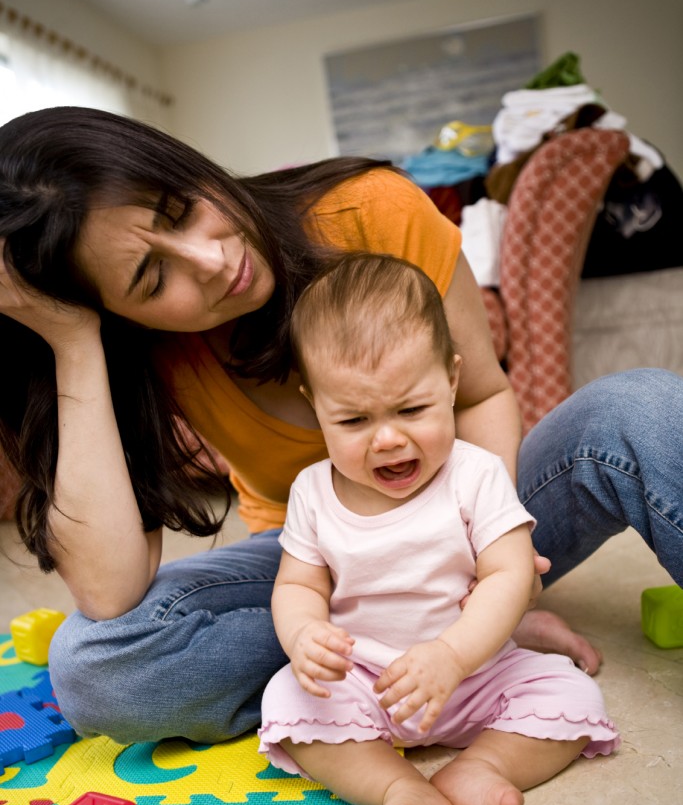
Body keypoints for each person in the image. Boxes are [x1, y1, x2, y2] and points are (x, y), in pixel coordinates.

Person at [0, 106, 680, 745]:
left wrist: (480, 571)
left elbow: (478, 395)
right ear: (121, 315)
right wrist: (73, 340)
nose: (212, 261)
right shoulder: (139, 354)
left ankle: (473, 638)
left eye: (181, 210)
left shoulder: (368, 209)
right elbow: (110, 591)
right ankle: (362, 674)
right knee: (93, 664)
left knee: (638, 409)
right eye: (152, 280)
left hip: (479, 518)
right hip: (323, 568)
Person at [257, 253, 619, 805]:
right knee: (287, 701)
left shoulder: (473, 474)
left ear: (451, 382)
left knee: (574, 696)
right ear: (315, 406)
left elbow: (509, 574)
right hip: (369, 681)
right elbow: (297, 584)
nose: (389, 438)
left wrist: (453, 656)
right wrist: (302, 634)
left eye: (412, 410)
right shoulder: (313, 492)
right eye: (353, 419)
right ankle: (399, 788)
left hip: (474, 670)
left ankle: (479, 768)